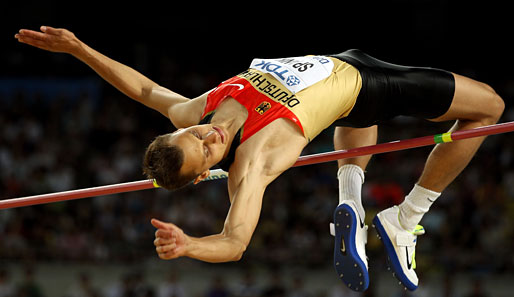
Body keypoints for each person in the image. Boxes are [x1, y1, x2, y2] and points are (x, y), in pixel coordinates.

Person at [14, 26, 504, 292]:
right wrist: (190, 245)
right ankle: (406, 218)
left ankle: (351, 204)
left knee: (354, 123)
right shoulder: (251, 163)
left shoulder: (197, 109)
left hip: (348, 67)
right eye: (205, 150)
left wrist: (80, 49)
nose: (207, 135)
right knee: (489, 109)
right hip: (371, 85)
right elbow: (235, 242)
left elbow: (143, 88)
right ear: (208, 172)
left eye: (192, 134)